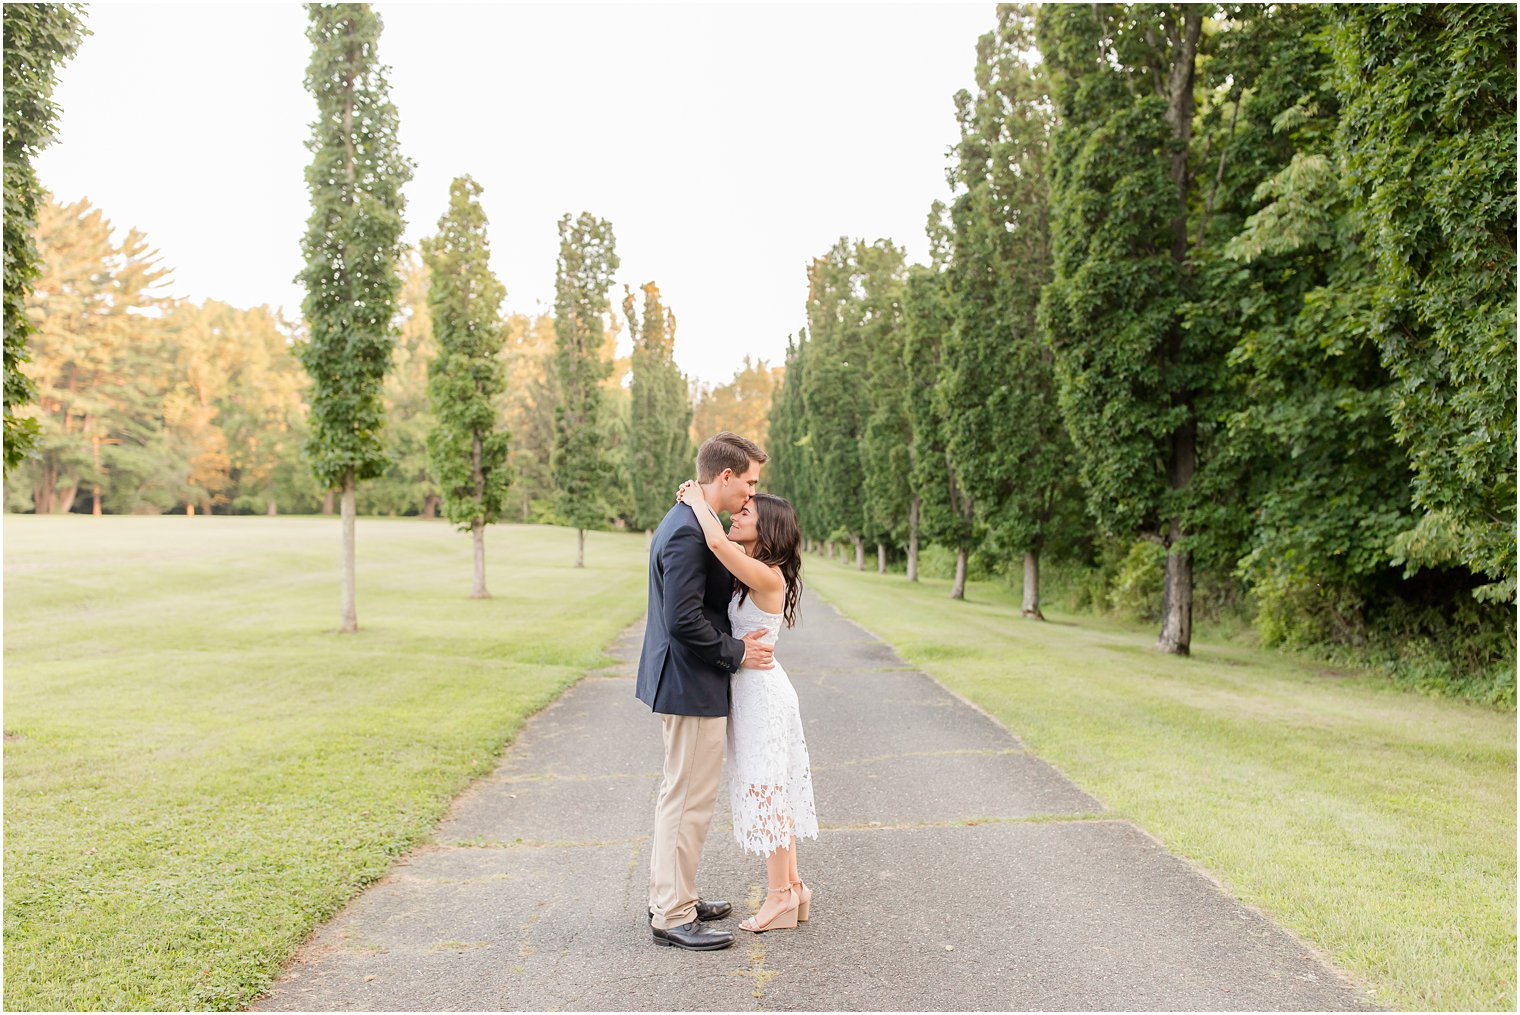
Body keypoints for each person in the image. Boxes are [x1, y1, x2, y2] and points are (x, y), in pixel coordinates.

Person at [636, 432, 774, 952]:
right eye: (750, 482)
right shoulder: (689, 533)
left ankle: (677, 896)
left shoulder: (699, 522)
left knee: (685, 795)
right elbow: (684, 621)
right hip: (689, 684)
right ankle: (671, 914)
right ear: (726, 477)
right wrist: (738, 652)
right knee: (687, 799)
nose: (751, 494)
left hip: (691, 682)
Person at [676, 481, 817, 934]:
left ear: (767, 528)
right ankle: (793, 888)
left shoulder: (767, 574)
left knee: (768, 791)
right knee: (774, 789)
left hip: (763, 696)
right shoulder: (757, 569)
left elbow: (715, 541)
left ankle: (777, 898)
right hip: (757, 689)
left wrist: (699, 501)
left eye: (747, 511)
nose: (738, 513)